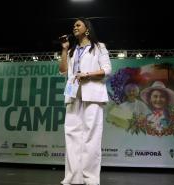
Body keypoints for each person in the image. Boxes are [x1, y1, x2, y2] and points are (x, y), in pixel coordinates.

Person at [59, 17, 112, 185]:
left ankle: (90, 179)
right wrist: (65, 50)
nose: (74, 27)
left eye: (78, 24)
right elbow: (63, 71)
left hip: (93, 94)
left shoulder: (98, 47)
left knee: (92, 137)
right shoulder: (73, 50)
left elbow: (107, 70)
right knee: (71, 135)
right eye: (74, 25)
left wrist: (87, 75)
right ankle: (72, 177)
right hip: (73, 94)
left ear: (87, 28)